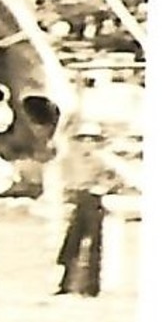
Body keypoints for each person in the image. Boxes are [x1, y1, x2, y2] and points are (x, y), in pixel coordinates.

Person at [54, 120, 116, 297]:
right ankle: (66, 285)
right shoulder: (72, 160)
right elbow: (67, 181)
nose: (87, 143)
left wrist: (102, 187)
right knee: (71, 245)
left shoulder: (102, 160)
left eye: (92, 139)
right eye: (84, 139)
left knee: (93, 246)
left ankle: (91, 288)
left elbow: (112, 178)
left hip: (94, 202)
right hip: (78, 202)